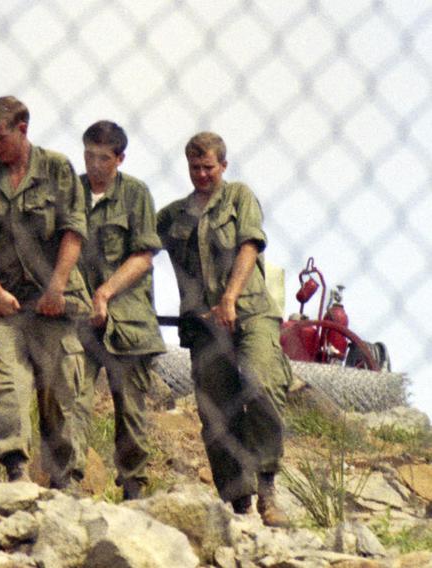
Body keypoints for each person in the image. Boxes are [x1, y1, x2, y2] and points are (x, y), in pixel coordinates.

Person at [156, 131, 292, 526]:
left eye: (209, 167)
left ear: (224, 166)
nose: (201, 174)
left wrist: (230, 297)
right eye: (195, 167)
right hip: (204, 328)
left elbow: (249, 246)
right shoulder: (172, 217)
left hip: (249, 313)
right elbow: (138, 246)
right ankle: (240, 504)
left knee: (260, 382)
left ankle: (267, 487)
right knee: (215, 413)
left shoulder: (239, 198)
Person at [0, 96, 92, 488]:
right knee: (3, 381)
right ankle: (15, 468)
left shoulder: (56, 168)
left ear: (22, 129)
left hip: (54, 302)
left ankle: (66, 479)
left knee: (62, 393)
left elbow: (74, 232)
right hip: (6, 302)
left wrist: (56, 287)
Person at [75, 121, 166, 500]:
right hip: (78, 318)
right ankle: (68, 481)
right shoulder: (71, 192)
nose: (94, 164)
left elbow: (143, 256)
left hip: (126, 320)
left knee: (129, 409)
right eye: (88, 155)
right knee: (71, 400)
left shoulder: (135, 194)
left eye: (103, 157)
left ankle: (134, 490)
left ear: (119, 158)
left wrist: (106, 293)